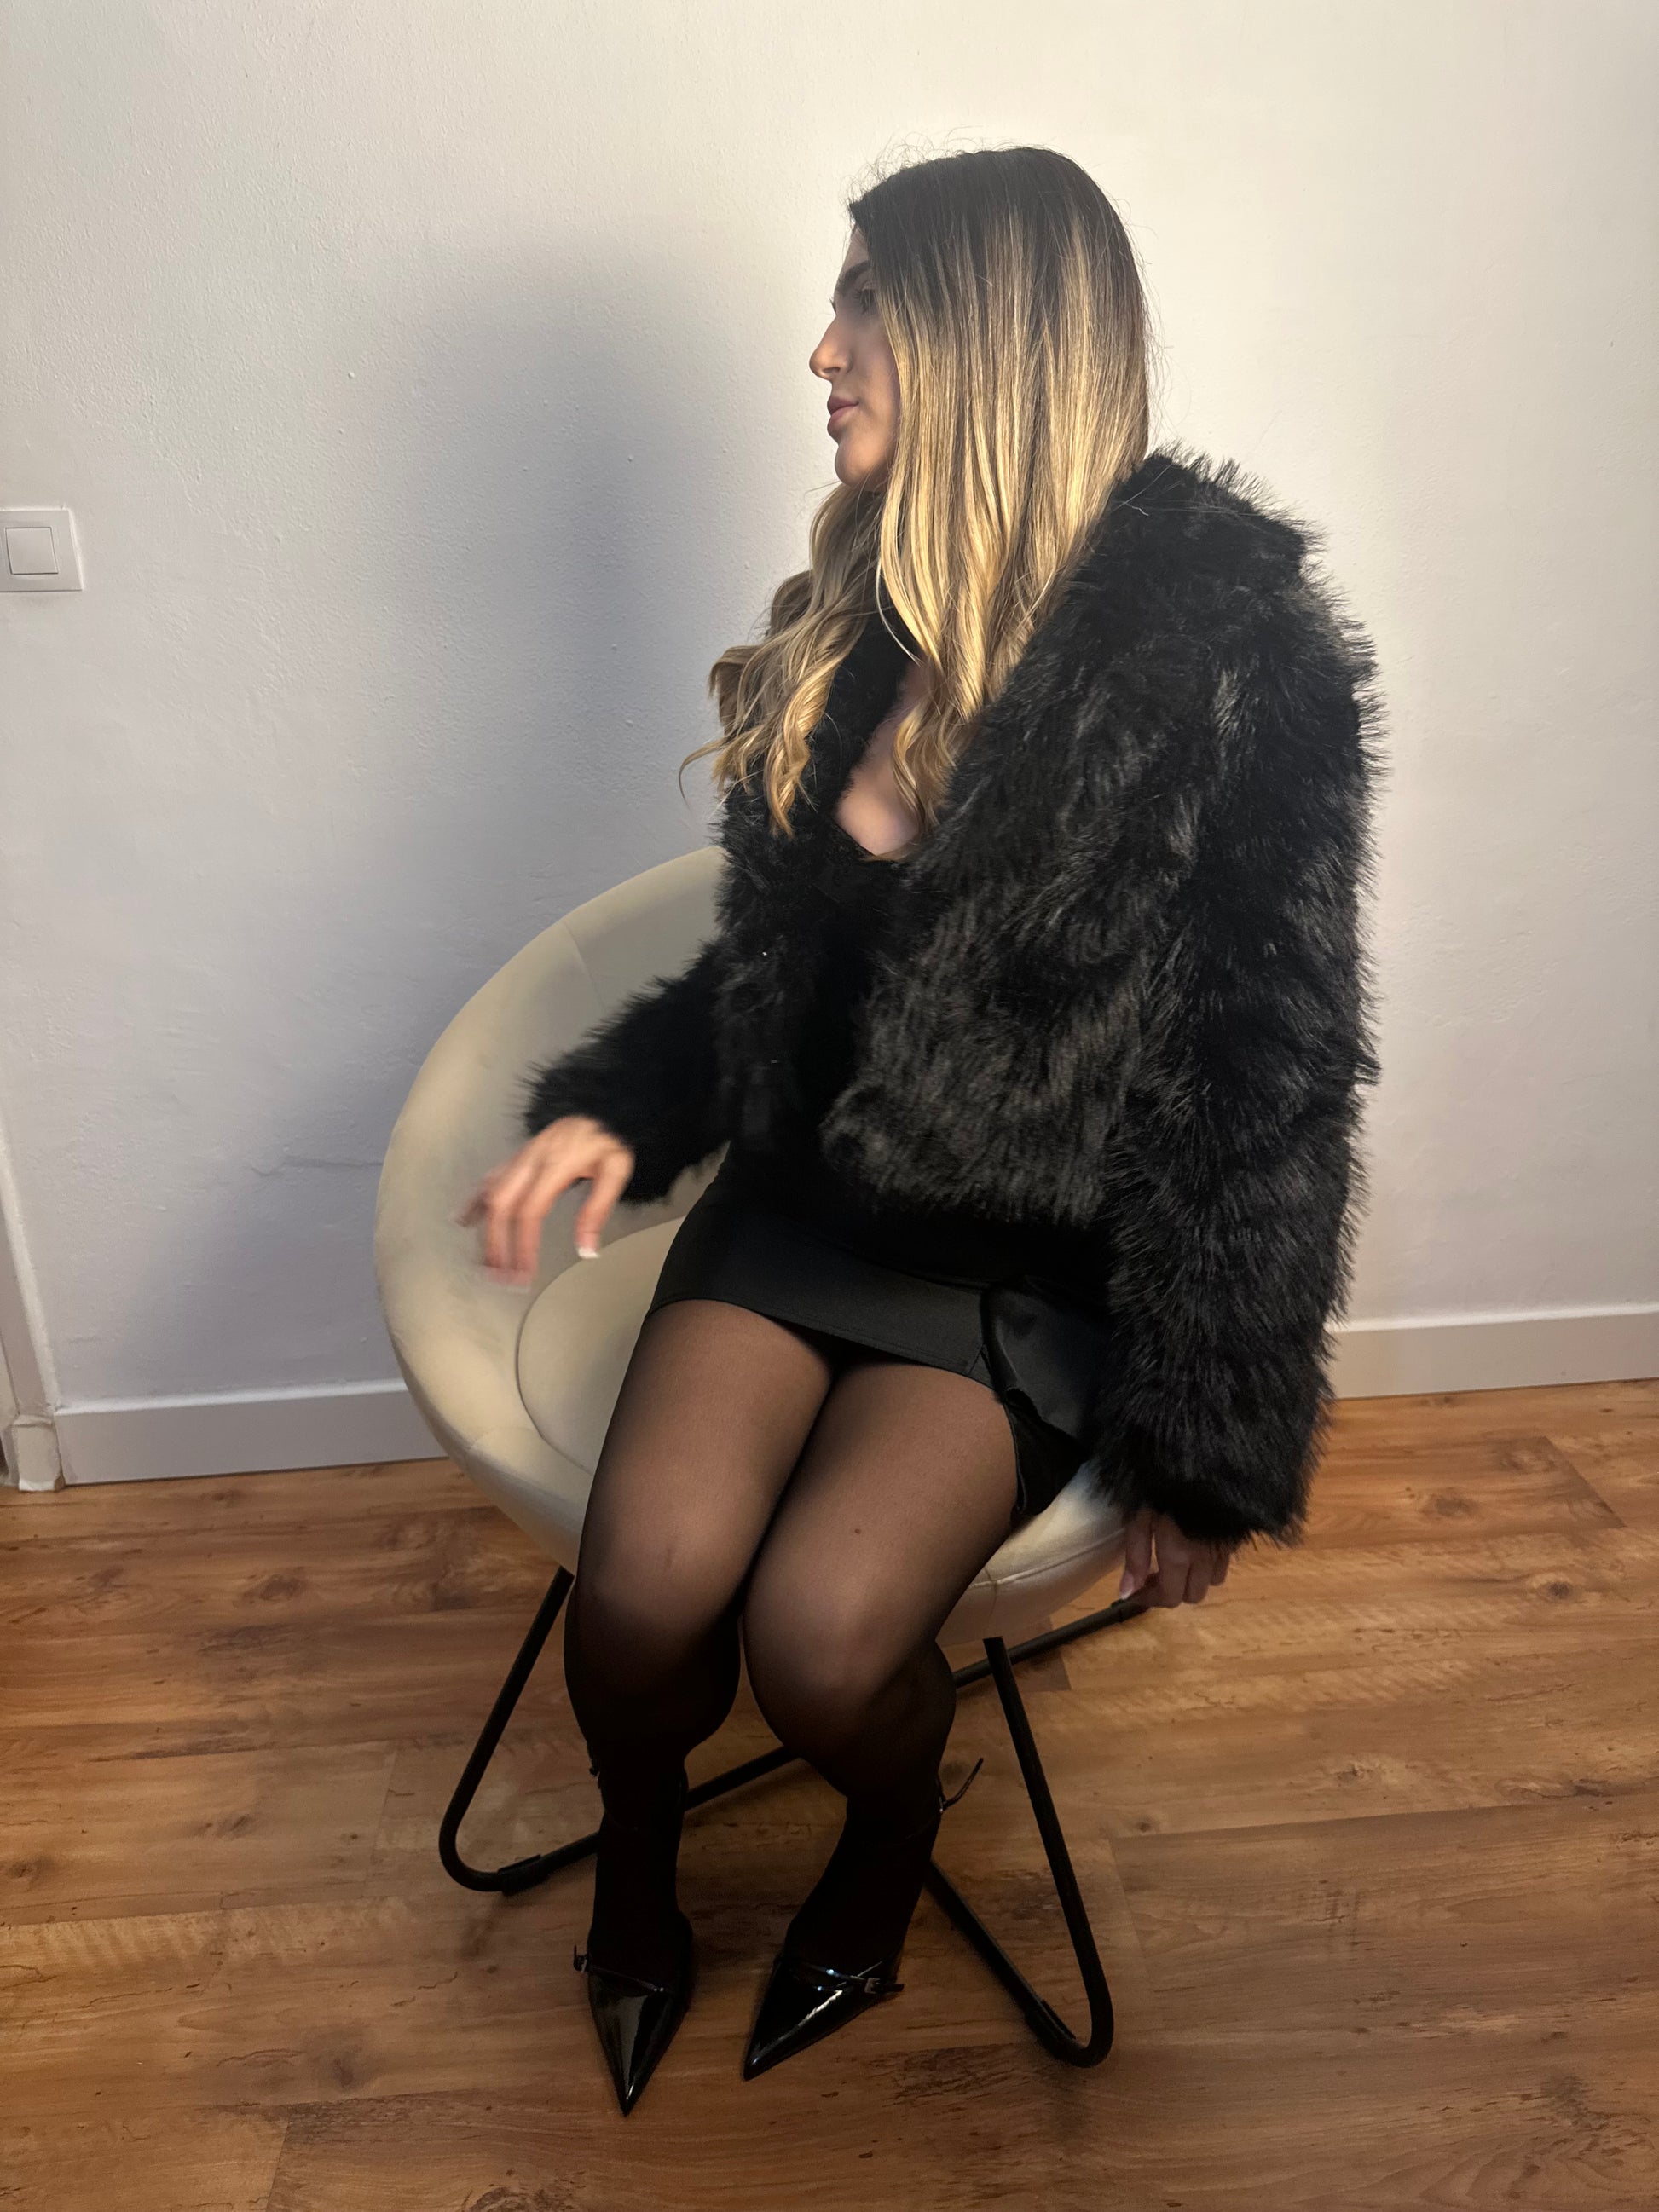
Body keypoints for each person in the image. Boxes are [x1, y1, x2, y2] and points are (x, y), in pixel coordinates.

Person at [460, 146, 1382, 2115]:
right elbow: (776, 972)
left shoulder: (1234, 661)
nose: (823, 349)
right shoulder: (869, 607)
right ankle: (637, 1876)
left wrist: (1208, 1438)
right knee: (641, 1595)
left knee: (819, 1638)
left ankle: (888, 1835)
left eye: (867, 301)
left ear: (989, 338)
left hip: (1014, 1266)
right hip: (799, 1210)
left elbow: (1268, 1070)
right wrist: (624, 1110)